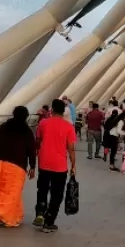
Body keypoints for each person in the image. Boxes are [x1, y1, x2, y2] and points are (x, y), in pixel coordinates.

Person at [0, 105, 37, 227]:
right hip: (17, 165)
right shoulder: (26, 131)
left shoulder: (3, 127)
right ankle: (1, 215)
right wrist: (33, 166)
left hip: (0, 163)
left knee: (1, 190)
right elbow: (31, 150)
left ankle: (13, 216)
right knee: (12, 193)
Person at [34, 98, 77, 231]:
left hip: (44, 162)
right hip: (60, 166)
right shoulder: (68, 127)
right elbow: (70, 148)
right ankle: (49, 221)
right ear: (64, 111)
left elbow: (38, 140)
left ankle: (40, 212)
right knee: (57, 194)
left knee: (42, 189)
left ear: (51, 110)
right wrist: (73, 165)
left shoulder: (43, 123)